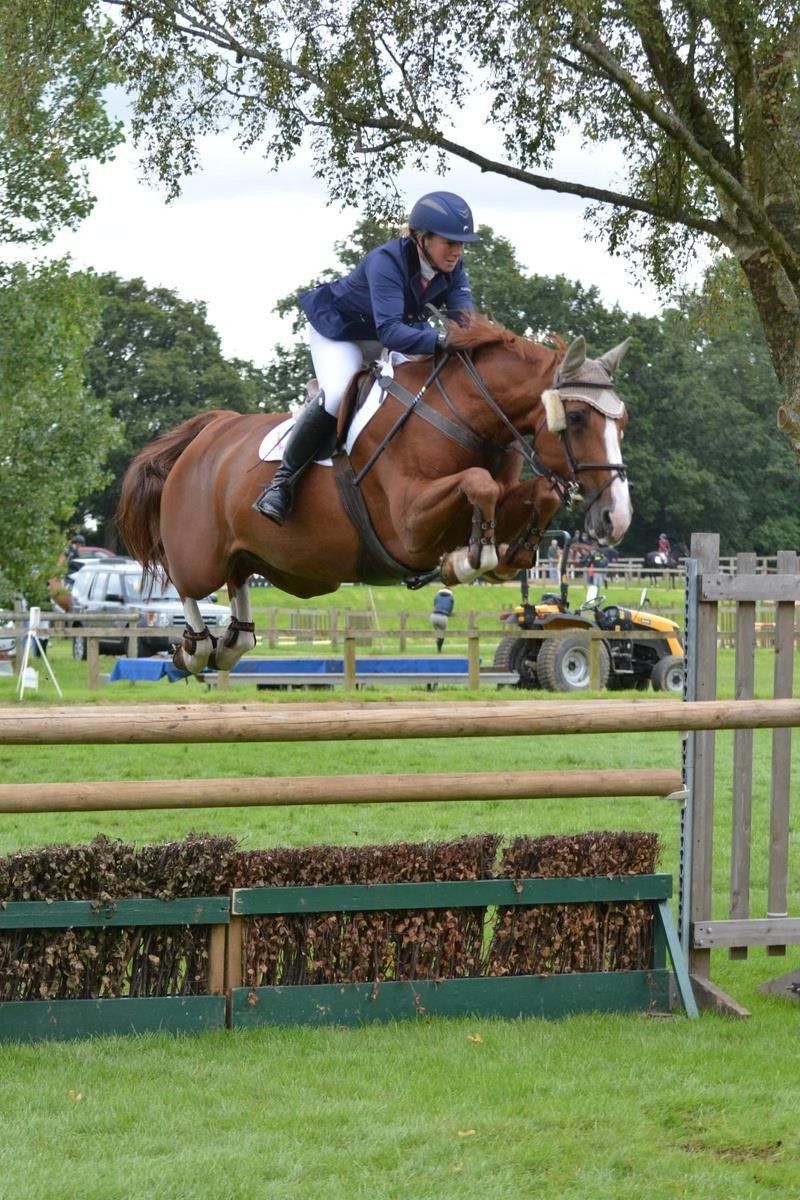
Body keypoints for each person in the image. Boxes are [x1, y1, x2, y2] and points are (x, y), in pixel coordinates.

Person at [253, 190, 480, 524]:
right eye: (450, 243)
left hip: (391, 337)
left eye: (462, 244)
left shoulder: (453, 270)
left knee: (424, 388)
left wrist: (473, 341)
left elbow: (465, 325)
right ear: (421, 238)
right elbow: (390, 331)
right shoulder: (385, 262)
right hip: (341, 334)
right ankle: (281, 484)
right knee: (338, 395)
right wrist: (443, 340)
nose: (458, 252)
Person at [430, 586, 455, 652]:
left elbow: (435, 604)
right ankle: (439, 649)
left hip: (434, 616)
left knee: (437, 631)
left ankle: (438, 639)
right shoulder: (451, 598)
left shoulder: (437, 596)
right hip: (443, 617)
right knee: (442, 633)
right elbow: (451, 608)